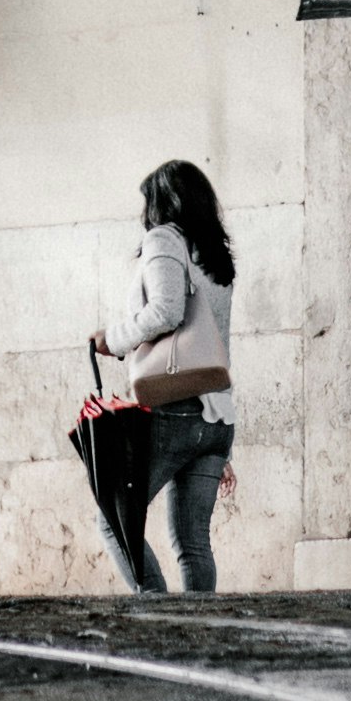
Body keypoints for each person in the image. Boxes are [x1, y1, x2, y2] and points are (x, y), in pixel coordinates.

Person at [94, 160, 238, 596]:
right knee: (193, 543)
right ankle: (199, 632)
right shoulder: (214, 255)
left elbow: (166, 311)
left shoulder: (163, 240)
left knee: (114, 517)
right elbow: (214, 343)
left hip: (174, 409)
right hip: (216, 418)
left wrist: (112, 339)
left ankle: (155, 611)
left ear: (161, 203)